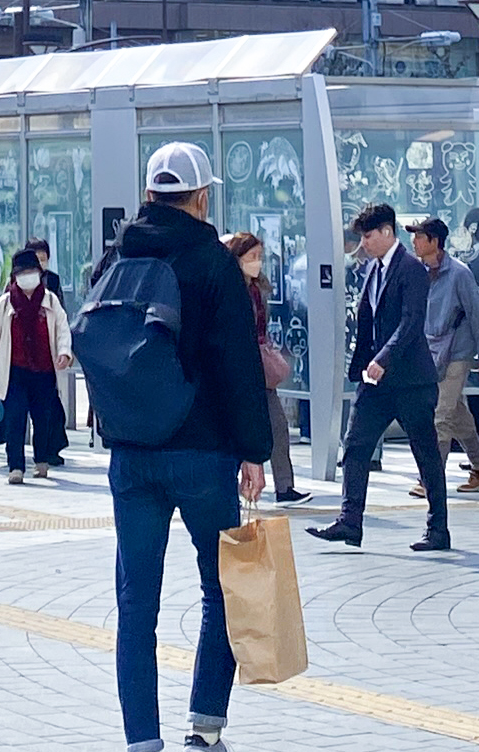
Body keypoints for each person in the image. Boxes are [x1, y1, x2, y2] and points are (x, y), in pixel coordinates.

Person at [100, 142, 277, 752]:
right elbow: (237, 366)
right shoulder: (211, 262)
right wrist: (255, 452)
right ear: (202, 197)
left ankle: (141, 742)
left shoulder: (115, 257)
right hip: (203, 454)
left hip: (130, 454)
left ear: (150, 195)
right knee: (220, 587)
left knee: (136, 603)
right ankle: (204, 728)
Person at [310, 202, 450, 552]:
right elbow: (368, 321)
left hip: (411, 381)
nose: (364, 244)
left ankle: (438, 529)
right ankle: (349, 522)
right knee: (355, 445)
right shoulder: (372, 269)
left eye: (369, 236)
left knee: (426, 453)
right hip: (375, 382)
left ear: (387, 232)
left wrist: (384, 358)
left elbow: (410, 321)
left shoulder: (412, 269)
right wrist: (361, 367)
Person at [411, 217, 479, 497]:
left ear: (434, 242)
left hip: (458, 353)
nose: (414, 242)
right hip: (429, 352)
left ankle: (431, 479)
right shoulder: (417, 272)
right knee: (456, 413)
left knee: (440, 417)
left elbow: (478, 316)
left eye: (419, 237)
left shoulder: (460, 274)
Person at [218, 232, 303, 502]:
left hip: (259, 368)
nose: (257, 263)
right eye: (251, 257)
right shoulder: (226, 290)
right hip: (236, 371)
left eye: (260, 257)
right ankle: (231, 484)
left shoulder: (258, 289)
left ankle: (285, 487)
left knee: (278, 425)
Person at [0, 243, 71, 484]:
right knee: (15, 419)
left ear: (39, 274)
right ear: (15, 277)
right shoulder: (6, 303)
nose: (26, 277)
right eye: (21, 273)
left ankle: (41, 461)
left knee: (42, 418)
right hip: (14, 371)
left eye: (31, 272)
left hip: (44, 370)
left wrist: (64, 352)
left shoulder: (50, 301)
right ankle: (16, 466)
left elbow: (63, 330)